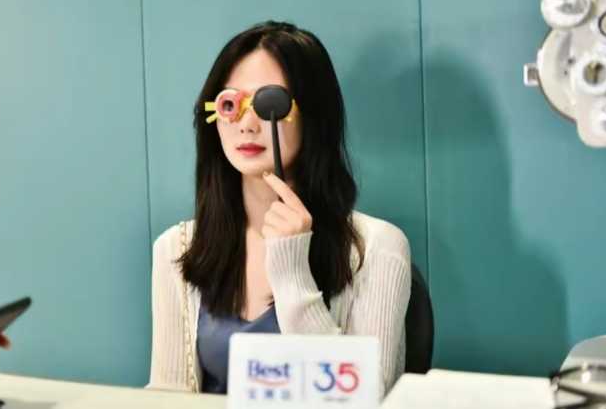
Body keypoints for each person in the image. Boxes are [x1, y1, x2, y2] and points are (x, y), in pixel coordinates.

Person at [146, 20, 411, 400]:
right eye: (230, 105)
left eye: (270, 104)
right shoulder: (176, 248)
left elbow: (363, 401)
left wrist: (292, 273)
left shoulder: (376, 248)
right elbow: (165, 397)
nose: (247, 124)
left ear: (314, 115)